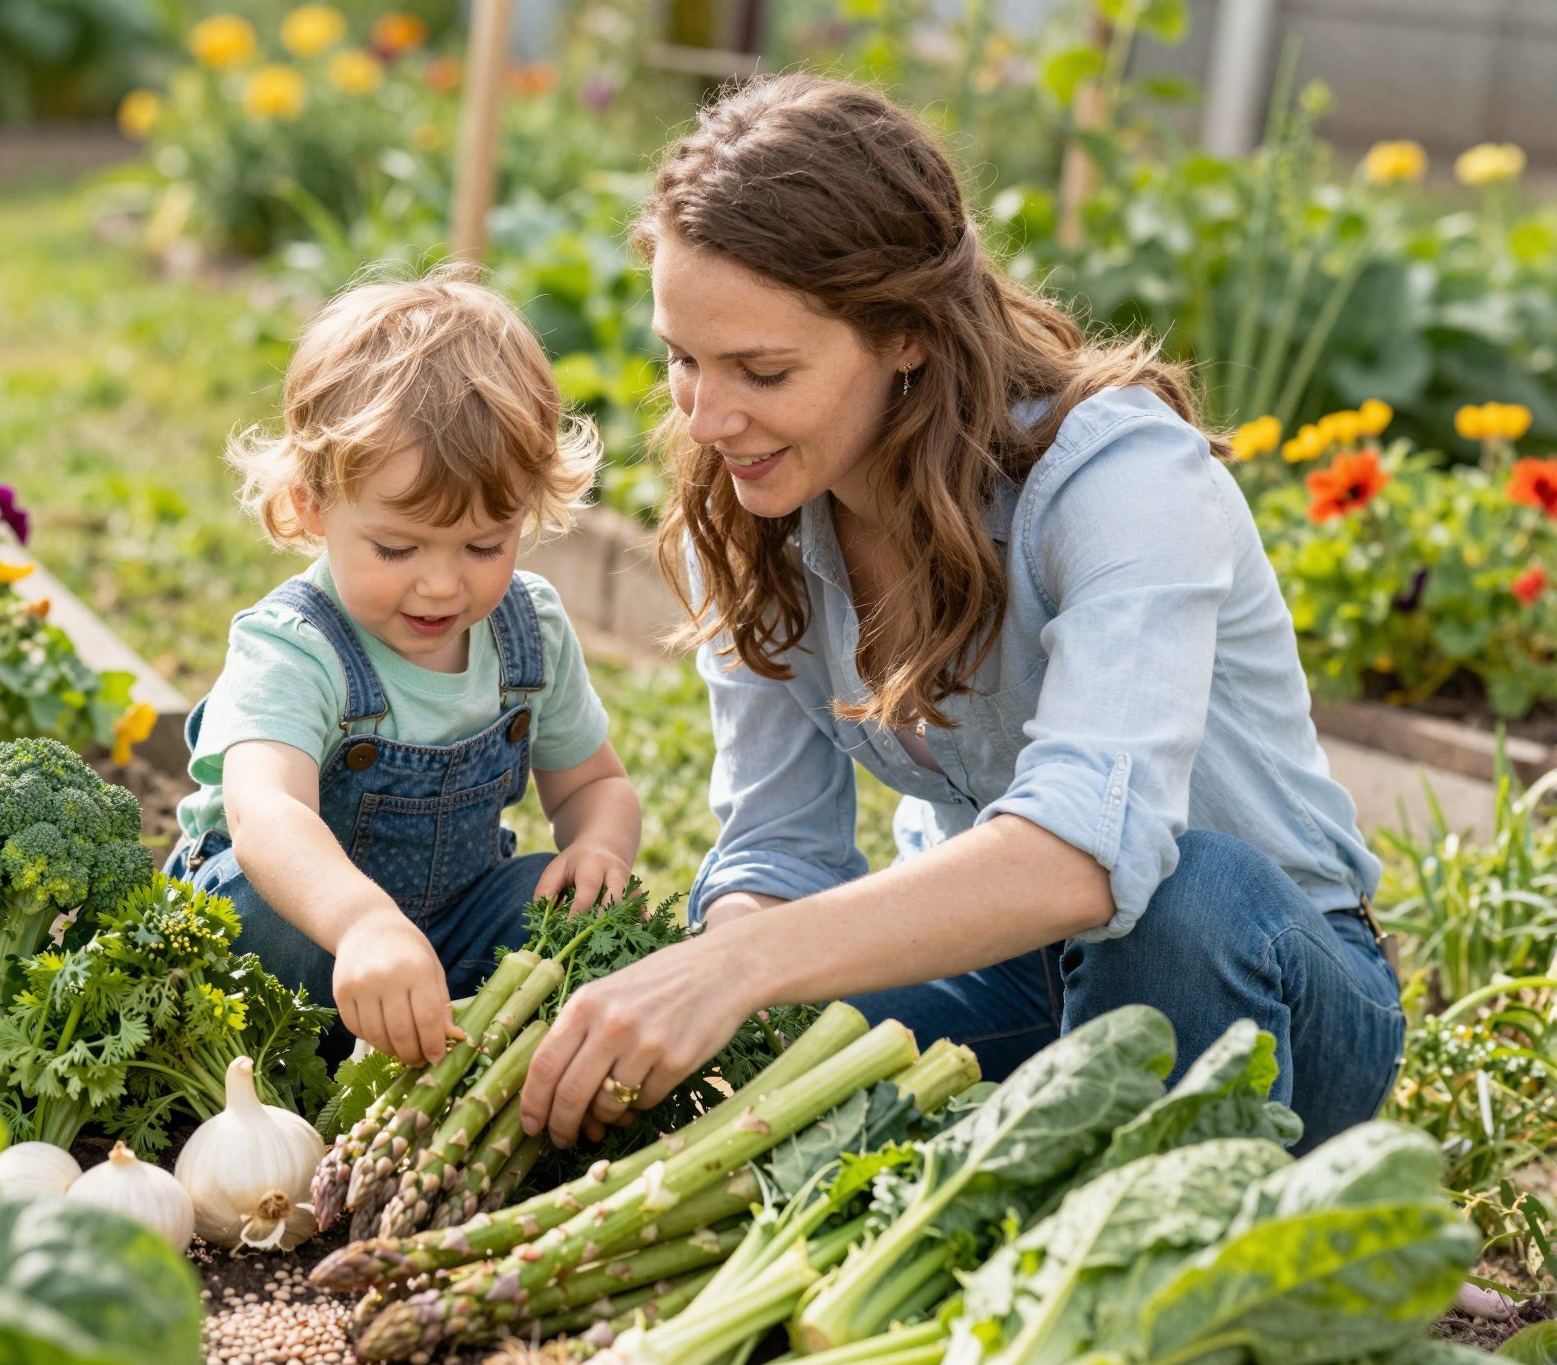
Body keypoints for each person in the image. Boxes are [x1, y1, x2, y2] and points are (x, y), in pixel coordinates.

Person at [518, 73, 1402, 1152]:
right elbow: (779, 852)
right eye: (681, 359)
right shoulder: (755, 510)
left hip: (1263, 982)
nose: (705, 417)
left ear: (903, 335)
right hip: (1005, 976)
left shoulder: (1113, 475)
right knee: (753, 1084)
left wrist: (733, 965)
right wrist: (730, 971)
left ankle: (1227, 1207)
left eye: (760, 368)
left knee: (1184, 889)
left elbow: (1084, 855)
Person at [168, 270, 642, 1069]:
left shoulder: (529, 633)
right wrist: (360, 922)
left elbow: (596, 784)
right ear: (312, 506)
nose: (441, 583)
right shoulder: (295, 647)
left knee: (566, 916)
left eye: (485, 546)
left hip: (446, 929)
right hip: (291, 940)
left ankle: (467, 1049)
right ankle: (286, 1061)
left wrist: (600, 846)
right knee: (267, 918)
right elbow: (265, 816)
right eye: (397, 548)